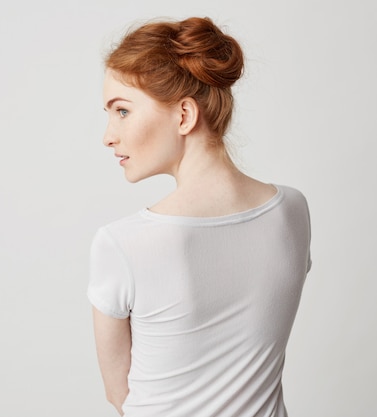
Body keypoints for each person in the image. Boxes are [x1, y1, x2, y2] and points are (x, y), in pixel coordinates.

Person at [88, 17, 312, 417]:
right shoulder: (292, 211)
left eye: (121, 111)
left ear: (184, 115)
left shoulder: (123, 244)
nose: (108, 134)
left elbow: (119, 395)